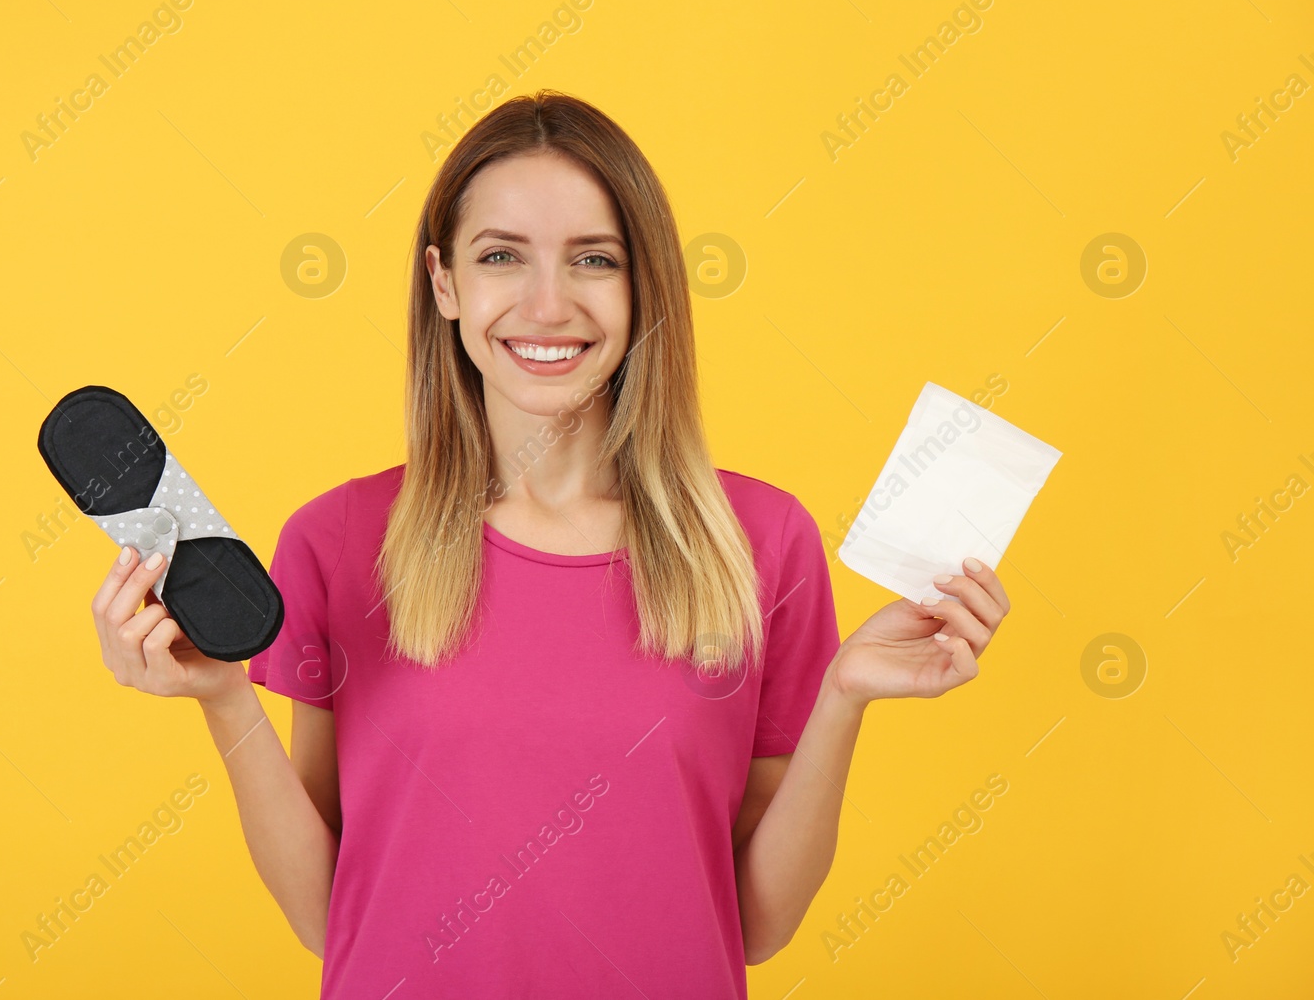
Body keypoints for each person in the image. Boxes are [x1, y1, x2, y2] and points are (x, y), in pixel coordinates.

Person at [87, 90, 1010, 997]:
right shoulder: (336, 541)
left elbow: (759, 926)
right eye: (501, 256)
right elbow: (330, 917)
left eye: (594, 260)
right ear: (445, 283)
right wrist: (219, 696)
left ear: (643, 286)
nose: (547, 303)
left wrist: (846, 696)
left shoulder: (760, 543)